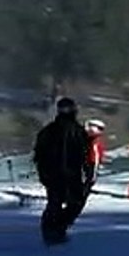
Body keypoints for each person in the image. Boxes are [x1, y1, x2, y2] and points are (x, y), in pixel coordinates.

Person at [33, 97, 91, 246]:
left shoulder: (47, 131)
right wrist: (88, 172)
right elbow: (86, 155)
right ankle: (57, 228)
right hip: (70, 173)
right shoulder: (78, 131)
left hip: (53, 174)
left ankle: (52, 229)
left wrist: (42, 172)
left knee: (55, 202)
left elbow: (38, 155)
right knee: (74, 202)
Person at [84, 119, 107, 192]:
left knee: (90, 177)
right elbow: (95, 151)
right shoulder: (93, 138)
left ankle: (86, 188)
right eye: (100, 128)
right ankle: (85, 189)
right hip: (91, 160)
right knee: (90, 177)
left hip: (92, 160)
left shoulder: (96, 138)